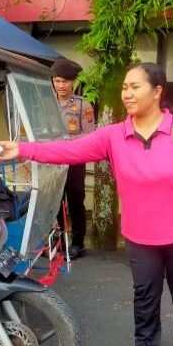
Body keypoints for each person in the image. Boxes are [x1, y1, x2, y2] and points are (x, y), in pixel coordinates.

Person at [0, 63, 173, 346]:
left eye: (135, 86)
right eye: (125, 87)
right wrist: (22, 149)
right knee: (145, 293)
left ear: (157, 91)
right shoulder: (115, 136)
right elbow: (68, 150)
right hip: (141, 235)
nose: (127, 93)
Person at [51, 58, 95, 259]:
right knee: (55, 200)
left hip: (75, 161)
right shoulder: (46, 103)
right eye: (57, 81)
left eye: (65, 82)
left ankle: (78, 243)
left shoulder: (83, 105)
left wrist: (65, 140)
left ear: (73, 82)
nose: (61, 86)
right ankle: (58, 241)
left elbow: (90, 134)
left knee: (76, 200)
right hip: (51, 161)